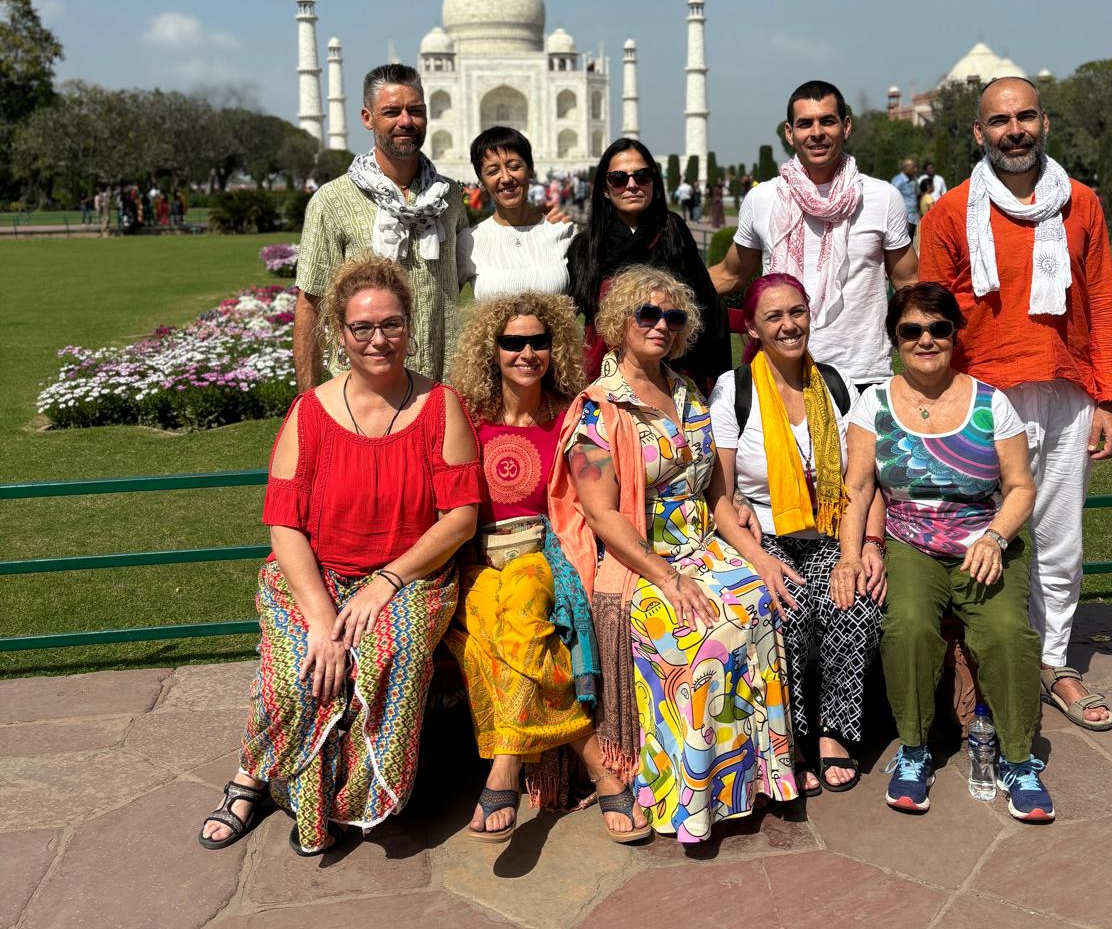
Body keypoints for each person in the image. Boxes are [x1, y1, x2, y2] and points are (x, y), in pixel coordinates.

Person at [198, 257, 484, 856]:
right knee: (301, 670)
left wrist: (387, 580)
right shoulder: (311, 412)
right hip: (312, 577)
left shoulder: (440, 406)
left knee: (391, 658)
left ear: (410, 326)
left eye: (392, 324)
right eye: (362, 328)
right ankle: (253, 776)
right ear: (339, 333)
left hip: (411, 577)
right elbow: (284, 523)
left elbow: (459, 517)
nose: (378, 339)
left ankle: (349, 800)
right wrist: (324, 619)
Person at [549, 265, 797, 845]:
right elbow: (603, 513)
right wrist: (666, 576)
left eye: (673, 317)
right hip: (639, 555)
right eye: (648, 314)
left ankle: (748, 783)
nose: (662, 325)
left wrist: (758, 559)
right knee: (701, 635)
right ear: (619, 323)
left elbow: (716, 496)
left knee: (759, 604)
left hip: (703, 545)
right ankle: (684, 797)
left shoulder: (686, 391)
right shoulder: (599, 409)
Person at [919, 77, 1112, 731]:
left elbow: (1101, 302)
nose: (1014, 129)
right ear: (979, 133)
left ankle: (1054, 661)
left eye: (1025, 116)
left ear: (1044, 123)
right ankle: (986, 659)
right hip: (985, 396)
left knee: (1060, 542)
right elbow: (934, 321)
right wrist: (942, 404)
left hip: (1065, 393)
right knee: (982, 538)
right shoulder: (951, 214)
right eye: (1000, 120)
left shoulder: (1081, 205)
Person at [841, 283, 1053, 822]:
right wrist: (853, 553)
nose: (926, 339)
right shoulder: (875, 403)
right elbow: (860, 487)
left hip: (984, 539)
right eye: (911, 330)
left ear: (955, 335)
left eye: (938, 328)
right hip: (910, 542)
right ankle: (913, 751)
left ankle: (1018, 759)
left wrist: (995, 538)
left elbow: (1021, 487)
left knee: (1007, 634)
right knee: (907, 627)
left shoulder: (990, 403)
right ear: (894, 339)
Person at [448, 292, 650, 844]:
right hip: (474, 560)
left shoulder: (570, 417)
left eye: (538, 341)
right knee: (504, 626)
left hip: (541, 554)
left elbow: (597, 489)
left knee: (527, 604)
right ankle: (598, 767)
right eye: (512, 342)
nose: (527, 352)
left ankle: (505, 766)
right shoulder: (466, 416)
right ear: (492, 350)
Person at [710, 274, 884, 794]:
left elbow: (863, 479)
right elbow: (719, 496)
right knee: (785, 607)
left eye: (797, 312)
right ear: (755, 330)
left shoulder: (835, 385)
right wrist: (760, 559)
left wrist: (869, 547)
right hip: (764, 536)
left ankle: (834, 731)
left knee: (854, 603)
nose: (789, 325)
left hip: (835, 531)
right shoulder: (734, 389)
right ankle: (792, 737)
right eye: (774, 317)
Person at [710, 80, 917, 392]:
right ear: (790, 133)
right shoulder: (763, 199)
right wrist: (662, 291)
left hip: (862, 375)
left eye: (827, 121)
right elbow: (731, 273)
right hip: (782, 373)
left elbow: (908, 283)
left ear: (846, 127)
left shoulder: (881, 197)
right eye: (805, 123)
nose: (817, 132)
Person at [293, 63, 466, 390]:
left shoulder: (449, 197)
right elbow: (310, 303)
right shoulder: (332, 201)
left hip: (442, 387)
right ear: (367, 117)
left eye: (415, 110)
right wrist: (308, 400)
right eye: (392, 111)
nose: (406, 121)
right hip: (362, 392)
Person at [567, 137, 730, 394]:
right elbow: (568, 316)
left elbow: (705, 304)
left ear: (654, 180)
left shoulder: (671, 232)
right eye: (619, 179)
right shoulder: (587, 247)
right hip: (608, 381)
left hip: (671, 375)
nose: (632, 185)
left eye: (641, 176)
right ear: (604, 189)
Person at [456, 127, 573, 303]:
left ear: (530, 170)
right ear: (481, 181)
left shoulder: (563, 233)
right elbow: (444, 308)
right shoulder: (470, 241)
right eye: (493, 171)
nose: (506, 178)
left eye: (514, 166)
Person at [891, 157, 919, 237]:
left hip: (913, 218)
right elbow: (892, 198)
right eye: (914, 167)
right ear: (907, 168)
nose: (916, 170)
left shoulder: (914, 179)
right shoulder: (898, 181)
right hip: (903, 220)